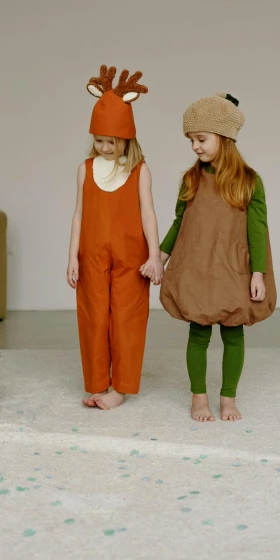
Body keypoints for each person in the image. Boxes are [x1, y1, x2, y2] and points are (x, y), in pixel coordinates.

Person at [156, 92, 276, 422]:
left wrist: (258, 272)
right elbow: (180, 222)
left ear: (224, 138)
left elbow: (257, 229)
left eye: (201, 138)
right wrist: (160, 257)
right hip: (199, 267)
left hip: (234, 268)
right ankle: (198, 398)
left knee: (233, 333)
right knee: (199, 331)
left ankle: (227, 398)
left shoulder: (249, 182)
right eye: (191, 140)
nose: (195, 146)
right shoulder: (191, 179)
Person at [67, 65, 164, 410]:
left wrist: (154, 256)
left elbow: (148, 214)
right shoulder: (85, 169)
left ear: (126, 139)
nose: (105, 147)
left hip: (131, 257)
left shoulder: (139, 171)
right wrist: (72, 258)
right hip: (91, 255)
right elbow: (78, 214)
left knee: (126, 318)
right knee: (94, 315)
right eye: (99, 140)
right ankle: (97, 383)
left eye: (111, 141)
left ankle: (120, 387)